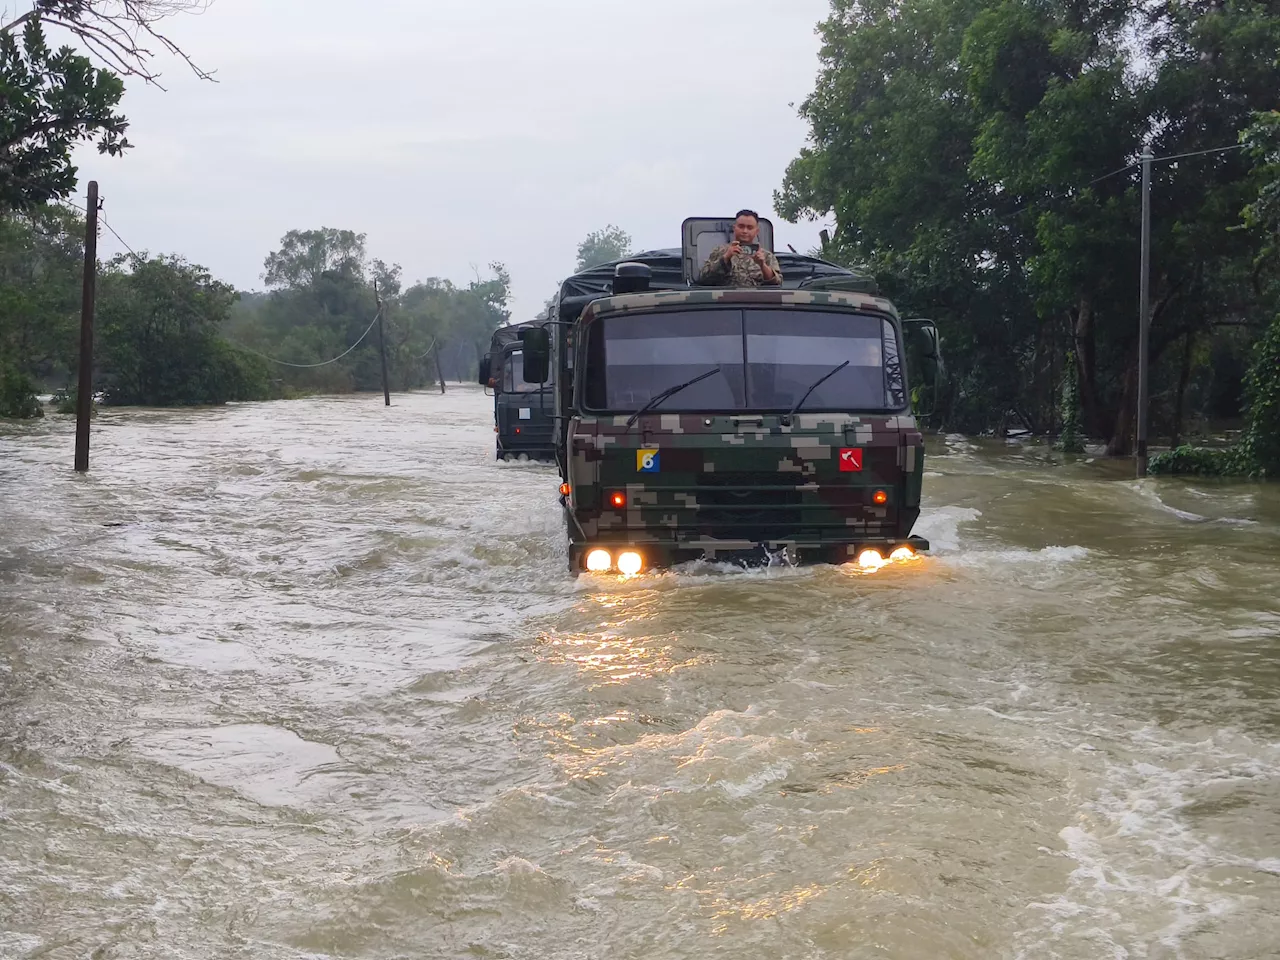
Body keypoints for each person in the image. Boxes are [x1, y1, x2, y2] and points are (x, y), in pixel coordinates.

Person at [697, 209, 782, 287]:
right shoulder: (720, 251)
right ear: (734, 228)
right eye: (741, 226)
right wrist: (725, 258)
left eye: (750, 227)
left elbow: (777, 283)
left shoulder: (766, 256)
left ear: (756, 231)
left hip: (757, 301)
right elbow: (703, 279)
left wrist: (762, 265)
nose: (745, 231)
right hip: (726, 301)